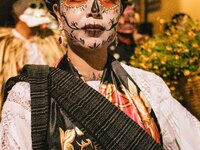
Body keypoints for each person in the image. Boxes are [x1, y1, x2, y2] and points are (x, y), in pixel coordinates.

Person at [0, 0, 200, 149]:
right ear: (58, 13)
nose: (94, 9)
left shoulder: (150, 88)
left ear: (119, 11)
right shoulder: (28, 97)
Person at [0, 0, 65, 110]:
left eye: (41, 5)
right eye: (33, 5)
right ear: (15, 11)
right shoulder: (4, 46)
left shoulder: (53, 41)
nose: (40, 10)